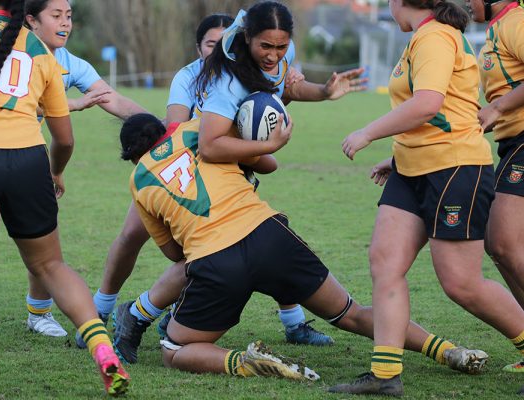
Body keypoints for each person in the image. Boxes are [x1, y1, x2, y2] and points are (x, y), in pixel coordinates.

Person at [117, 112, 488, 384]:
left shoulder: (139, 180)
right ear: (163, 129)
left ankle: (244, 363)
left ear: (133, 157)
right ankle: (447, 350)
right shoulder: (199, 128)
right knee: (351, 313)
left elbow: (173, 256)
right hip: (270, 236)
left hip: (216, 261)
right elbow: (266, 163)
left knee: (173, 349)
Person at [110, 1, 366, 364]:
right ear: (203, 47)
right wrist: (258, 147)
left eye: (280, 47)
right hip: (188, 170)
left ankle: (147, 314)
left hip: (231, 166)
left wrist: (322, 92)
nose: (274, 53)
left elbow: (287, 91)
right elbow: (176, 132)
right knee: (203, 250)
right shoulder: (193, 78)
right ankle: (132, 313)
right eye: (212, 44)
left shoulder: (266, 58)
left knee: (254, 238)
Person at [0, 0, 128, 397]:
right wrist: (55, 170)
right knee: (51, 264)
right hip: (29, 161)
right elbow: (64, 138)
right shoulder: (41, 50)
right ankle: (104, 349)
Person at [328, 0, 524, 396]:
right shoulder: (421, 37)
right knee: (385, 261)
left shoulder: (435, 36)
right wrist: (399, 154)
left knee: (461, 283)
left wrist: (368, 133)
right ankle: (385, 375)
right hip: (412, 169)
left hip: (454, 169)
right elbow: (444, 110)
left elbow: (427, 104)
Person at [0, 0, 146, 342]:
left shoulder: (70, 63)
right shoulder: (12, 49)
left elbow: (111, 99)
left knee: (44, 231)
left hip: (28, 155)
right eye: (56, 16)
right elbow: (21, 99)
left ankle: (39, 313)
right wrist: (72, 105)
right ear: (31, 20)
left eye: (69, 16)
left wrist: (158, 126)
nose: (66, 23)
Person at [468, 0, 524, 381]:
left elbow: (499, 103)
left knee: (503, 242)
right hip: (511, 143)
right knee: (499, 245)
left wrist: (499, 107)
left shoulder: (515, 22)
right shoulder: (497, 27)